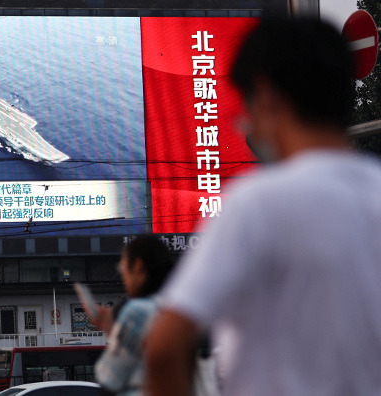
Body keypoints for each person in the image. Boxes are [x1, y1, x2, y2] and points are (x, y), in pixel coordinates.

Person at [145, 18, 381, 396]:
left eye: (247, 107)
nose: (247, 125)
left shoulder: (256, 204)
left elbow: (163, 348)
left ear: (266, 94)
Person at [84, 235, 174, 396]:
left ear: (138, 266)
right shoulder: (175, 308)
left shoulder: (137, 311)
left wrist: (114, 334)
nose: (123, 276)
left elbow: (109, 377)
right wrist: (112, 328)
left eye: (123, 267)